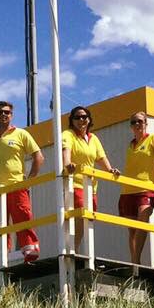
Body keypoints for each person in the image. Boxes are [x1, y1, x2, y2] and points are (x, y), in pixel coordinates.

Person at [0, 101, 44, 270]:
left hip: (16, 186)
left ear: (12, 115)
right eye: (0, 112)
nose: (4, 115)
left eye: (7, 112)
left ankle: (30, 254)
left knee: (23, 219)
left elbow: (39, 157)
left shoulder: (21, 134)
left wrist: (29, 180)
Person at [118, 111, 154, 266]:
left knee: (142, 221)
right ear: (130, 126)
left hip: (145, 189)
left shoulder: (153, 140)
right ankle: (134, 262)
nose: (137, 124)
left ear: (146, 123)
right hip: (127, 191)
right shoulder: (130, 145)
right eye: (133, 122)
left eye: (140, 121)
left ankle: (136, 261)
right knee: (132, 230)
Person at [62, 105, 119, 253]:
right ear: (72, 121)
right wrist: (67, 164)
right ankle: (72, 250)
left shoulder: (93, 138)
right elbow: (65, 151)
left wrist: (110, 170)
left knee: (88, 217)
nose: (81, 120)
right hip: (74, 183)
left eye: (84, 117)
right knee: (81, 214)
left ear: (89, 119)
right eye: (77, 117)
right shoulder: (68, 134)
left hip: (91, 186)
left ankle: (77, 249)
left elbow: (101, 157)